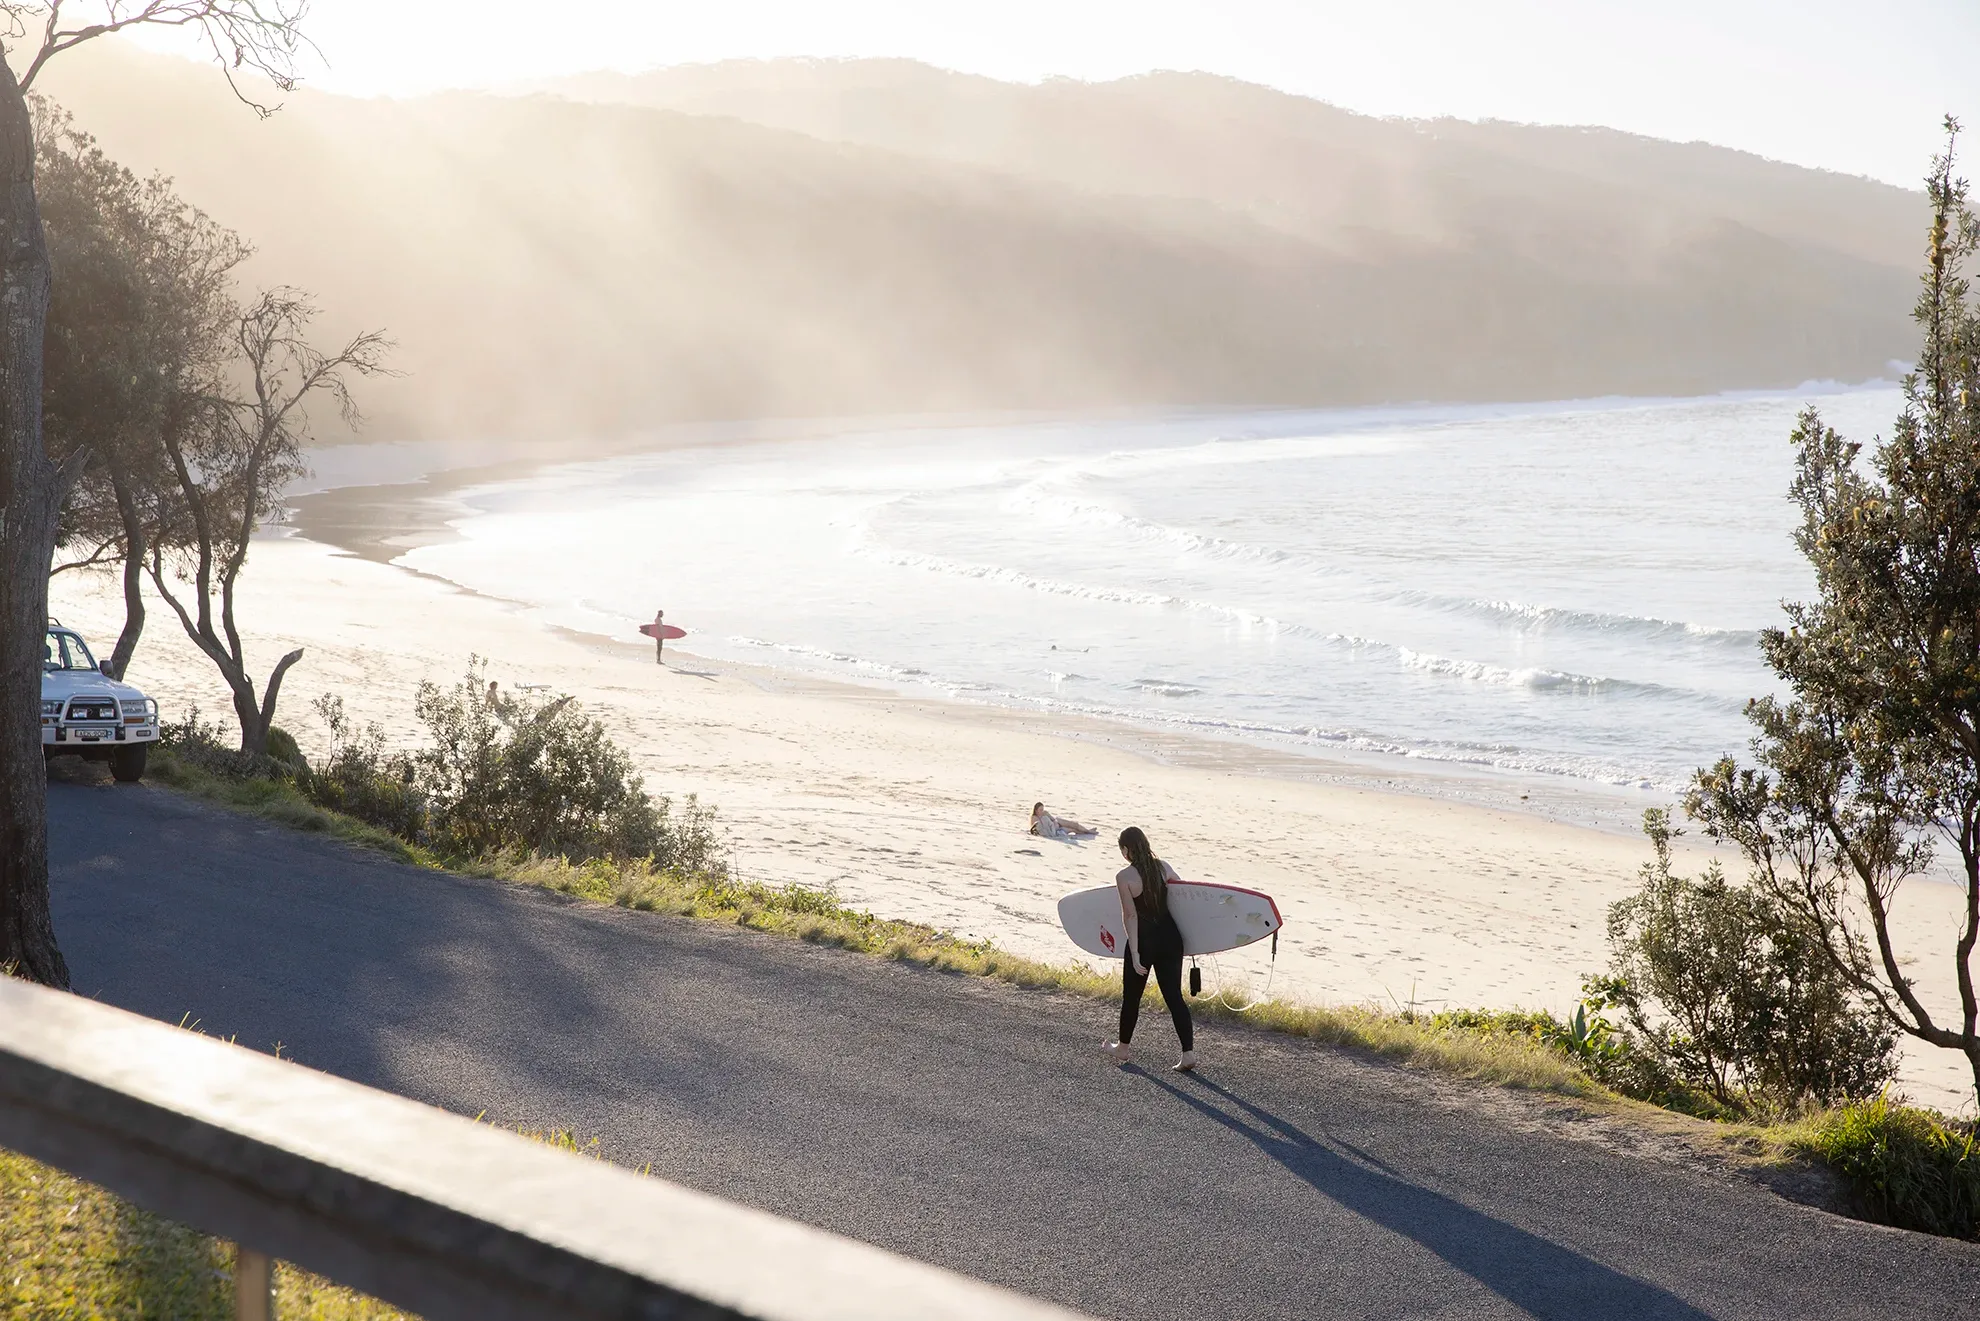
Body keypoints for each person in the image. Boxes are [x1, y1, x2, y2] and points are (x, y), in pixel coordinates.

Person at [1102, 826, 1195, 1071]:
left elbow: (1130, 917)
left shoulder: (1124, 877)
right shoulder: (1163, 867)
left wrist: (1134, 953)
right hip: (1171, 938)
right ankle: (1188, 1054)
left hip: (1145, 941)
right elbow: (1184, 895)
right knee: (1174, 997)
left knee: (1132, 998)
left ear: (1126, 850)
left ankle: (1122, 1048)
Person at [1030, 802, 1096, 839]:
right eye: (1040, 810)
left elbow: (1053, 819)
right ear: (1036, 810)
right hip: (1053, 829)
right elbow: (1037, 829)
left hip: (1056, 824)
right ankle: (1086, 832)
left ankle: (1088, 831)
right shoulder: (1034, 818)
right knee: (1071, 829)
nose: (1042, 811)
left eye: (1042, 809)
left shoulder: (1045, 813)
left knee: (1074, 824)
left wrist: (1055, 822)